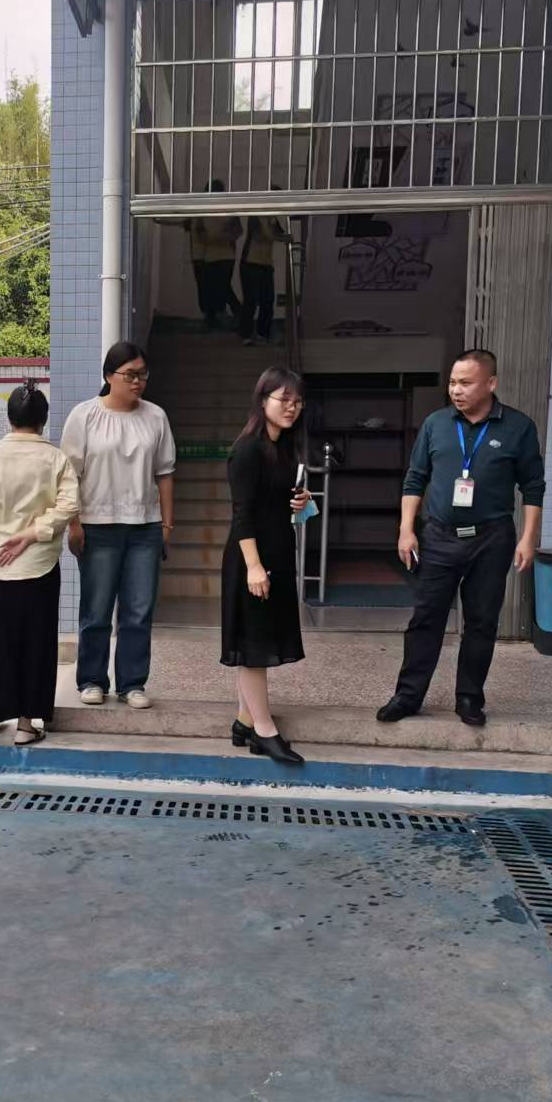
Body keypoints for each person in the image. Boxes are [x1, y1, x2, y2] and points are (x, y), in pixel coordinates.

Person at [378, 349, 545, 727]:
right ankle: (407, 696)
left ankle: (469, 698)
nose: (456, 390)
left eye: (466, 383)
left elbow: (533, 486)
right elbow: (415, 478)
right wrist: (406, 530)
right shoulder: (436, 424)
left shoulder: (518, 427)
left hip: (492, 538)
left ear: (491, 383)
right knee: (426, 618)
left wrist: (528, 538)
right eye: (453, 383)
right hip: (439, 535)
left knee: (482, 621)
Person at [0, 382, 79, 745]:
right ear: (44, 420)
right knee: (35, 644)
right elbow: (69, 506)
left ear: (9, 417)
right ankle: (26, 724)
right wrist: (32, 533)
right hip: (38, 567)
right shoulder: (56, 459)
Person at [63, 341, 177, 709]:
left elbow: (165, 474)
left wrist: (167, 526)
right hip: (97, 526)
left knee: (138, 611)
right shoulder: (84, 415)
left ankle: (132, 683)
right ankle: (92, 680)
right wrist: (74, 524)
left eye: (142, 374)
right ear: (109, 376)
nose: (138, 381)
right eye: (130, 375)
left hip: (145, 527)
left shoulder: (156, 417)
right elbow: (69, 476)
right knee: (96, 610)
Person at [222, 368, 312, 764]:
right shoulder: (247, 449)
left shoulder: (284, 448)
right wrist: (254, 567)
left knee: (260, 638)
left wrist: (303, 500)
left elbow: (279, 501)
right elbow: (242, 513)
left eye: (297, 401)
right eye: (283, 400)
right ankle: (264, 729)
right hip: (251, 558)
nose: (292, 407)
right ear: (263, 401)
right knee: (253, 647)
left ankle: (244, 721)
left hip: (277, 552)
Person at [192, 182, 244, 331]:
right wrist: (216, 237)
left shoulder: (228, 209)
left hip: (224, 255)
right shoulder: (204, 211)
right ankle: (226, 314)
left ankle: (236, 312)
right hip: (211, 256)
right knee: (217, 287)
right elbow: (199, 232)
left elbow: (238, 229)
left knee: (222, 286)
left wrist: (225, 237)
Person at [238, 215, 288, 346]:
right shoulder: (255, 217)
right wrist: (280, 236)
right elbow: (260, 236)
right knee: (251, 300)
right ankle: (246, 335)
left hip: (266, 264)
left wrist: (283, 235)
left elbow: (280, 233)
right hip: (250, 263)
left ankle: (263, 334)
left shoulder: (272, 218)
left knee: (267, 300)